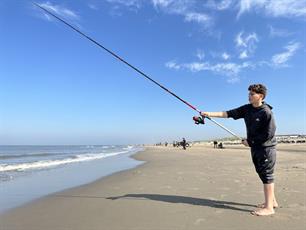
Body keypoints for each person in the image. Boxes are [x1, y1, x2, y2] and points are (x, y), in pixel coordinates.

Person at [200, 84, 278, 216]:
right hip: (255, 148)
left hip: (266, 148)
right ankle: (272, 202)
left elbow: (269, 134)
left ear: (261, 96)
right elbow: (228, 113)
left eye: (252, 94)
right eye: (249, 93)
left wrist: (250, 142)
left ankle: (269, 208)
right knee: (261, 173)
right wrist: (209, 113)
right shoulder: (247, 109)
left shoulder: (266, 112)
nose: (249, 96)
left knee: (267, 176)